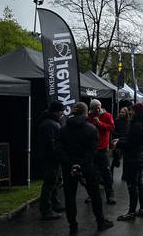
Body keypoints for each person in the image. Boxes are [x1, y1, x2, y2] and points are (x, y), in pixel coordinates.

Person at [56, 102, 113, 235]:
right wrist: (80, 165)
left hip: (68, 168)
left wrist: (71, 164)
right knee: (95, 194)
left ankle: (73, 227)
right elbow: (92, 151)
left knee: (70, 197)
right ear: (86, 112)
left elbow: (59, 149)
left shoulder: (63, 129)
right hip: (87, 167)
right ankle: (100, 221)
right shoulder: (91, 129)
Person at [114, 103, 143, 221]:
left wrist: (118, 143)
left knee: (132, 185)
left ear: (136, 112)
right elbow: (133, 139)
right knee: (139, 183)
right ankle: (142, 209)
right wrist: (120, 140)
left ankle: (131, 212)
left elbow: (132, 143)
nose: (130, 112)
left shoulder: (137, 124)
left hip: (134, 157)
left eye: (132, 110)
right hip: (140, 156)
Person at [37, 100, 66, 220]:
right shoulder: (49, 124)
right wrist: (59, 155)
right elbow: (51, 144)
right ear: (56, 111)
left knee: (55, 181)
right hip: (50, 158)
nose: (62, 114)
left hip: (52, 157)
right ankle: (46, 210)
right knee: (49, 183)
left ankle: (54, 203)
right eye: (61, 111)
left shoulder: (50, 122)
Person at [88, 99, 116, 205]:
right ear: (91, 108)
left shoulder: (107, 115)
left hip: (103, 148)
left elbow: (111, 127)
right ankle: (92, 195)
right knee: (92, 173)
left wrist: (99, 123)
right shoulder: (88, 116)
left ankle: (110, 195)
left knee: (106, 172)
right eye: (95, 107)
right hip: (91, 149)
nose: (98, 109)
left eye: (99, 106)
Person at [111, 106, 130, 175]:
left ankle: (124, 175)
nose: (121, 113)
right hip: (117, 141)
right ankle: (111, 173)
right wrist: (117, 137)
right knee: (116, 158)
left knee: (125, 159)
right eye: (121, 112)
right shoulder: (117, 120)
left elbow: (128, 131)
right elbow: (113, 131)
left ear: (126, 113)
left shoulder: (128, 121)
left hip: (125, 141)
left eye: (123, 112)